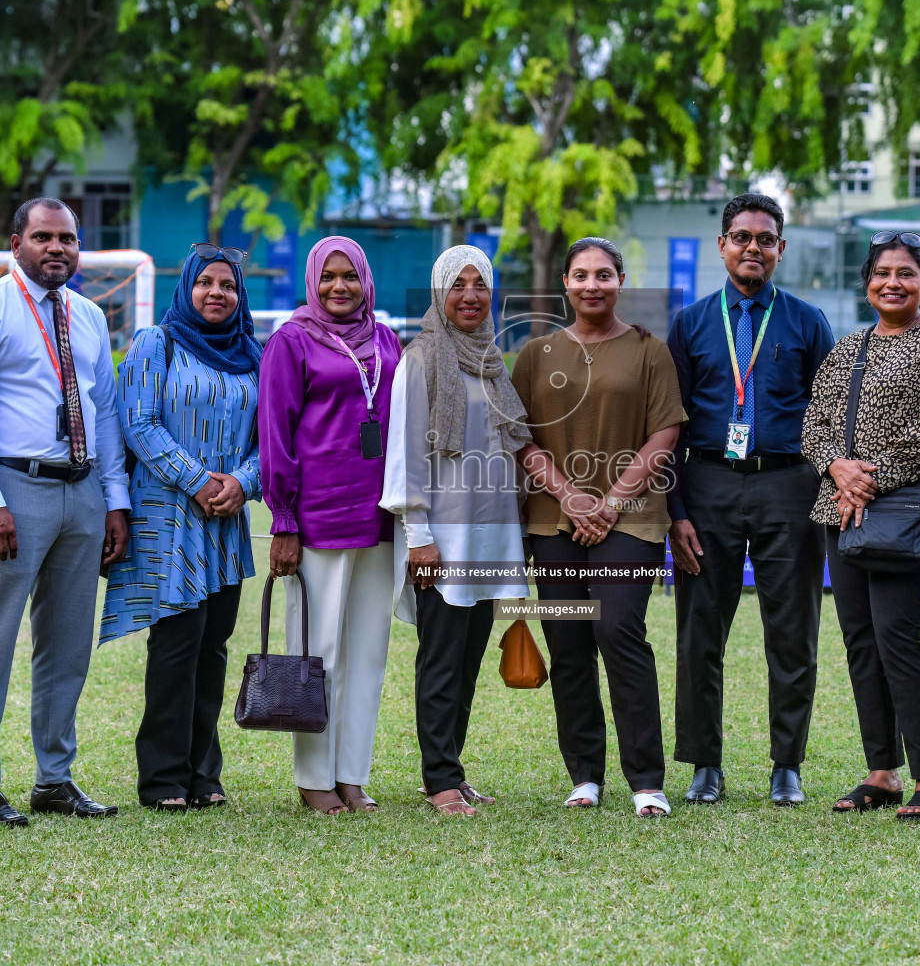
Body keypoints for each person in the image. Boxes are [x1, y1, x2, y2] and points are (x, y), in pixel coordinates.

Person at [0, 197, 130, 826]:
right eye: (44, 237)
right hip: (10, 488)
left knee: (68, 643)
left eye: (68, 239)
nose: (57, 248)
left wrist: (114, 501)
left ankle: (54, 777)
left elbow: (104, 412)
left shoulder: (88, 315)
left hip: (81, 492)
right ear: (16, 242)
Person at [665, 193, 834, 806]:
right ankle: (704, 764)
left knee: (793, 632)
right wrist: (677, 512)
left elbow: (831, 414)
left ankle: (786, 764)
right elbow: (670, 426)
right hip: (708, 484)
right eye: (741, 237)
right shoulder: (690, 324)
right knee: (699, 633)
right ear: (722, 246)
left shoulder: (807, 321)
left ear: (781, 249)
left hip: (789, 485)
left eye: (765, 239)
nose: (753, 248)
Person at [511, 237, 687, 818]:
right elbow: (522, 440)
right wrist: (569, 497)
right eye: (581, 275)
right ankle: (585, 774)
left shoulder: (648, 351)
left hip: (631, 519)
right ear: (565, 283)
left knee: (618, 631)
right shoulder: (534, 355)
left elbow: (664, 434)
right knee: (568, 642)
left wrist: (609, 502)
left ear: (620, 281)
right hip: (552, 521)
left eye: (604, 275)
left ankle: (646, 781)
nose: (593, 285)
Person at [800, 231, 920, 820]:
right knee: (860, 641)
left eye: (906, 273)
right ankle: (882, 772)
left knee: (899, 636)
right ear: (866, 281)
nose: (892, 283)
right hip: (838, 512)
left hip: (905, 511)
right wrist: (837, 469)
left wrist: (869, 480)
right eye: (881, 273)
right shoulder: (847, 348)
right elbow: (814, 423)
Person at [101, 244, 263, 811]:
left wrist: (242, 482)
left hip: (225, 522)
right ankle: (164, 778)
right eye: (206, 283)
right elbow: (137, 423)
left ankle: (204, 775)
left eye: (228, 286)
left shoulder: (253, 356)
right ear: (186, 288)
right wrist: (199, 481)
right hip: (169, 518)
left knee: (213, 647)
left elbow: (270, 441)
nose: (217, 293)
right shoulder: (156, 343)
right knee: (175, 646)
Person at [380, 245, 531, 816]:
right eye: (458, 284)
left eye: (481, 284)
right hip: (441, 539)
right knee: (441, 660)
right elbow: (405, 455)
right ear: (440, 293)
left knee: (467, 659)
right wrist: (418, 534)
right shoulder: (422, 360)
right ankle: (438, 778)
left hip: (489, 536)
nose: (470, 295)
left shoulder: (490, 359)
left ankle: (452, 769)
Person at [260, 236, 402, 816]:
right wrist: (284, 521)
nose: (339, 287)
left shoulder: (387, 338)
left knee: (368, 653)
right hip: (317, 520)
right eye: (328, 277)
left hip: (380, 517)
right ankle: (315, 778)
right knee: (318, 653)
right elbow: (275, 433)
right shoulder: (290, 342)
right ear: (312, 281)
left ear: (366, 280)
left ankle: (352, 773)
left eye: (350, 276)